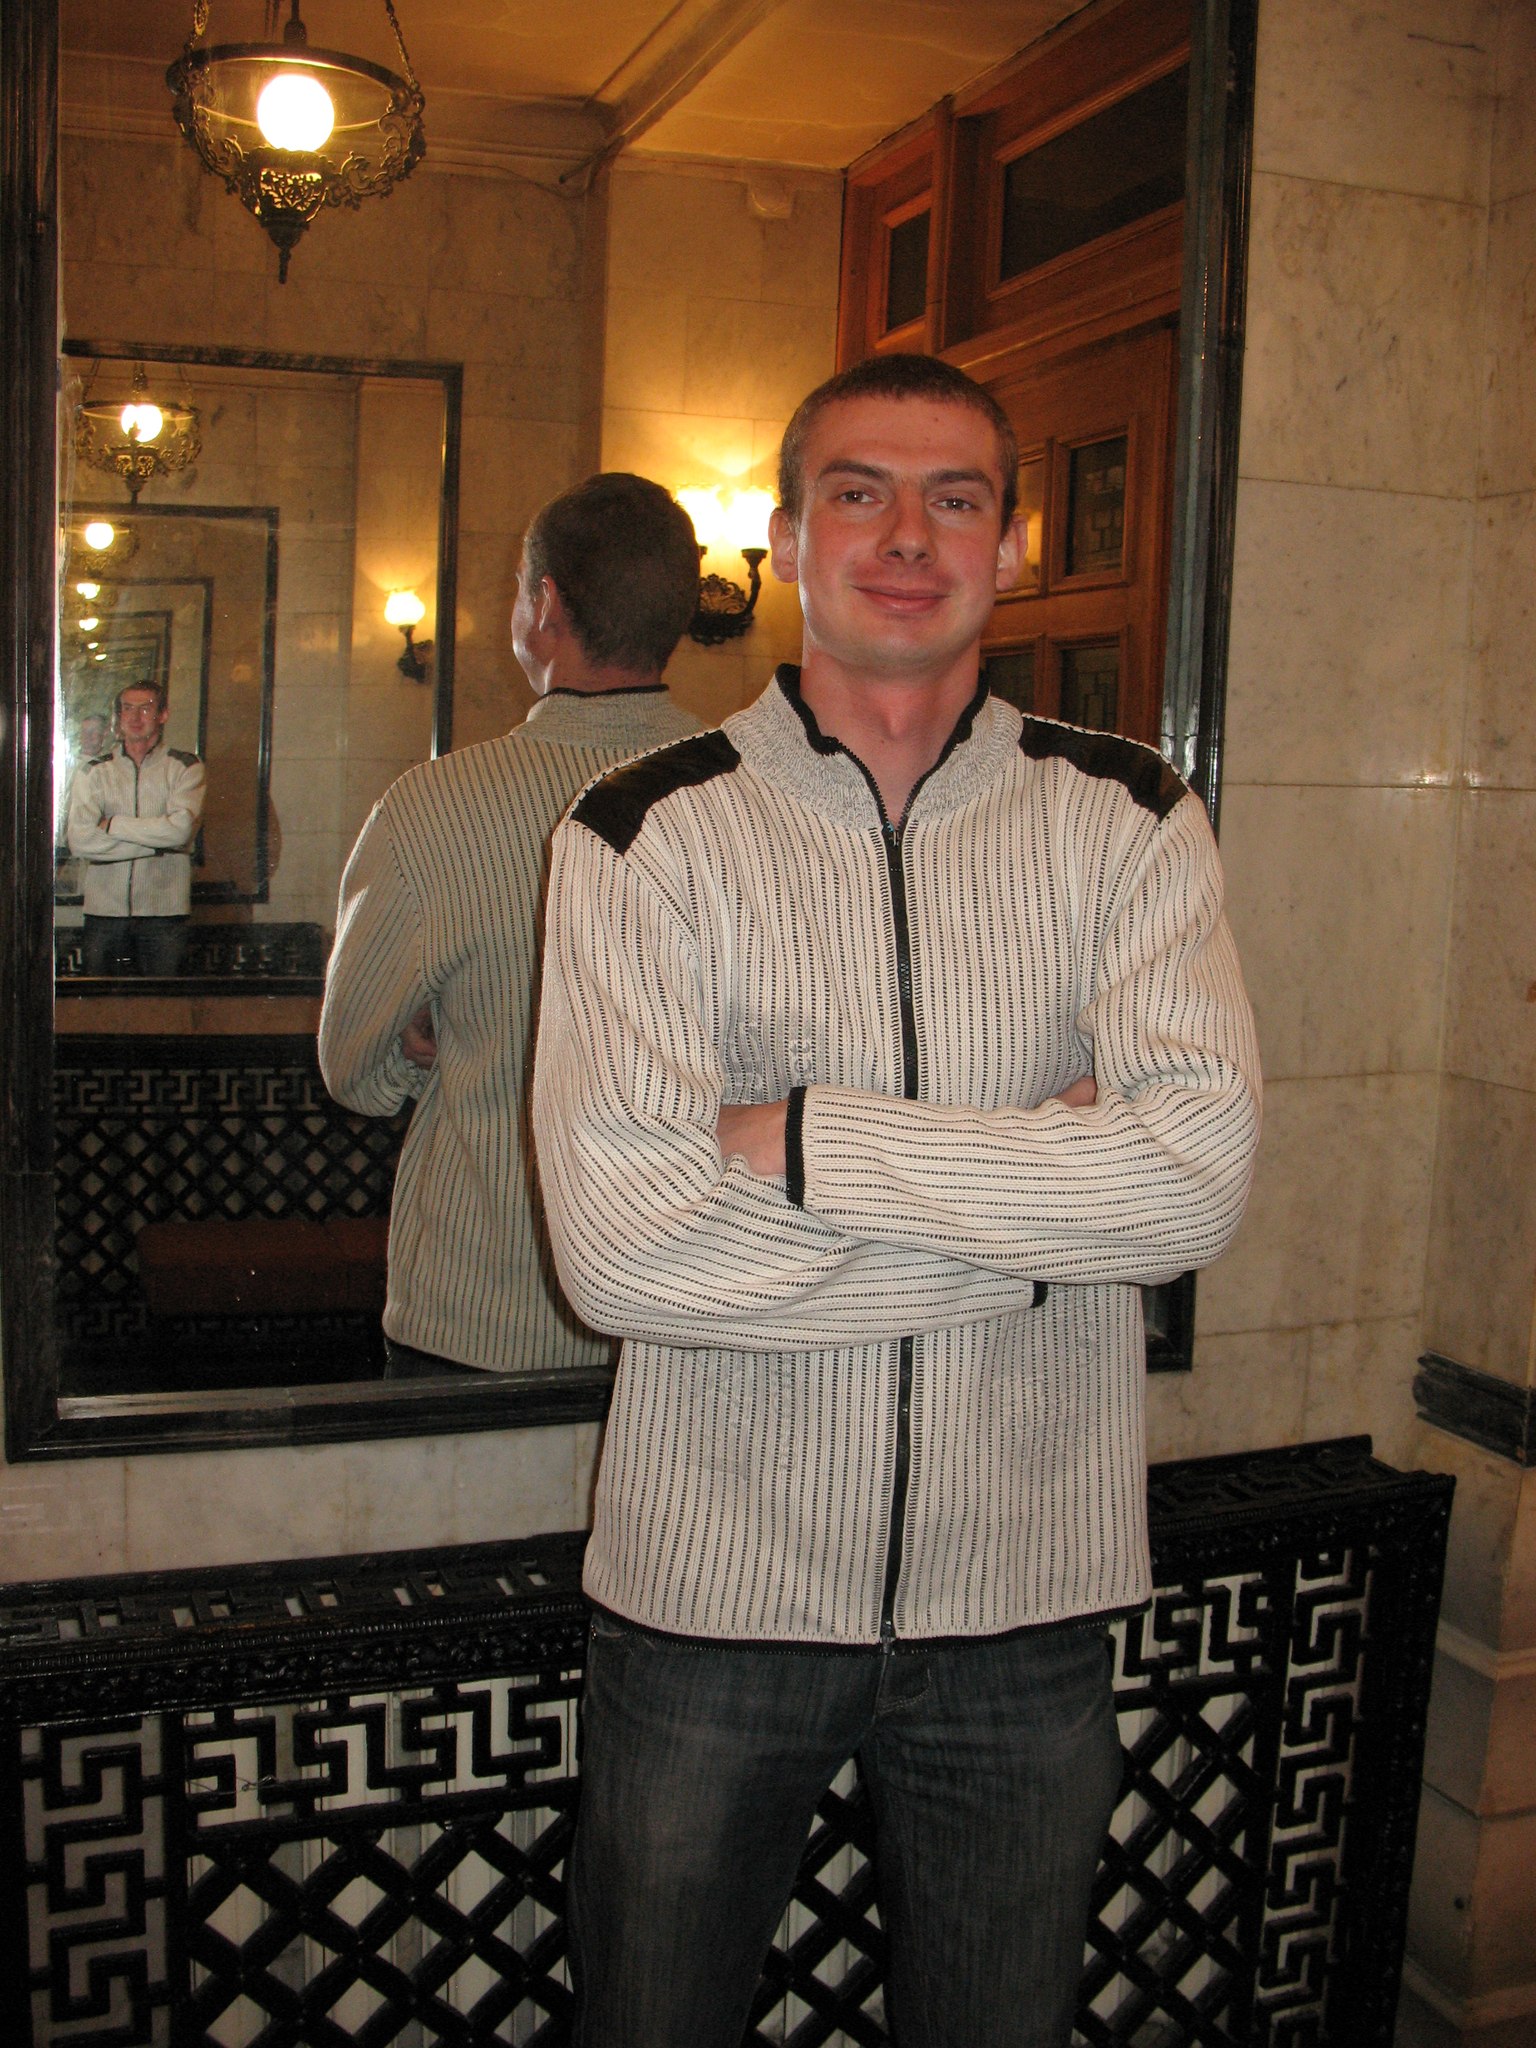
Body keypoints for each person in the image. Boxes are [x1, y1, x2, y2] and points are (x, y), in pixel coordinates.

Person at [531, 354, 1262, 2047]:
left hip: (1029, 1598)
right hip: (710, 1602)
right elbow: (623, 1251)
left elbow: (1190, 1181)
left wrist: (794, 1137)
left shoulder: (1132, 817)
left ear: (1011, 546)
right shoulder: (642, 831)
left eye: (955, 498)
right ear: (786, 542)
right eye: (858, 492)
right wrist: (1039, 1230)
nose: (908, 535)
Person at [318, 472, 702, 1379]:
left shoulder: (433, 806)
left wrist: (431, 1043)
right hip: (688, 1316)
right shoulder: (759, 796)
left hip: (478, 1305)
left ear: (546, 605)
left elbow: (352, 1068)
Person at [66, 680, 205, 975]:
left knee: (161, 1000)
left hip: (165, 913)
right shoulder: (94, 770)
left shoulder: (185, 767)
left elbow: (180, 831)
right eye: (128, 709)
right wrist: (158, 845)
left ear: (163, 715)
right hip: (104, 912)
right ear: (118, 717)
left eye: (145, 708)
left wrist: (114, 825)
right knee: (101, 1000)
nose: (135, 717)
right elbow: (80, 840)